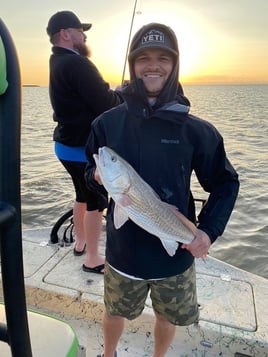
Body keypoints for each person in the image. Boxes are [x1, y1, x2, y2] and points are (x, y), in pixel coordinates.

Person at [85, 23, 239, 357]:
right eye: (143, 58)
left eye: (162, 58)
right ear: (132, 64)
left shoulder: (197, 130)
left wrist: (207, 234)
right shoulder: (106, 124)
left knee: (167, 316)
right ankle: (107, 354)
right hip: (123, 252)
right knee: (113, 311)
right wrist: (96, 176)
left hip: (175, 254)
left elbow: (226, 183)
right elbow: (89, 169)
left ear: (175, 64)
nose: (152, 65)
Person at [46, 11, 122, 273]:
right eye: (80, 30)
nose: (84, 35)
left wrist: (108, 91)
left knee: (81, 195)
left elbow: (88, 96)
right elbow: (107, 103)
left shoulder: (56, 61)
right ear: (65, 34)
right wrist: (123, 94)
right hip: (81, 150)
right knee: (97, 202)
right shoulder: (78, 64)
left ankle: (80, 243)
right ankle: (92, 259)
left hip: (64, 146)